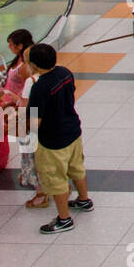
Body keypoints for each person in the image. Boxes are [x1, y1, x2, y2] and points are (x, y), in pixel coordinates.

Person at [24, 44, 92, 234]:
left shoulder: (39, 88)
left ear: (35, 65)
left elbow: (35, 123)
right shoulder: (65, 72)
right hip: (72, 130)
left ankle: (64, 219)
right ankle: (84, 200)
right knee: (77, 167)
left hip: (52, 141)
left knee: (56, 179)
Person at [0, 29, 48, 209]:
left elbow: (27, 105)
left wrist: (14, 118)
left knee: (32, 154)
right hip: (28, 118)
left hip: (28, 121)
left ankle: (41, 193)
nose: (9, 47)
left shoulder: (30, 80)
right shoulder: (54, 77)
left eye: (11, 44)